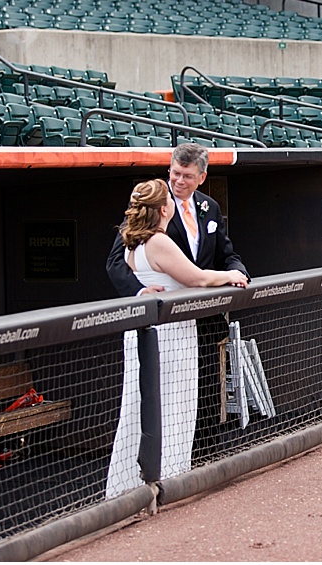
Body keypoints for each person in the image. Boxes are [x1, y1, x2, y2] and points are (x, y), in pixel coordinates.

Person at [106, 142, 250, 468]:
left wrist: (237, 272)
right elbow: (116, 261)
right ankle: (163, 472)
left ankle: (200, 467)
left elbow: (226, 253)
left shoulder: (209, 208)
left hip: (201, 321)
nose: (178, 181)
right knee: (158, 400)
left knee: (199, 397)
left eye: (186, 176)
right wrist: (140, 293)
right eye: (174, 173)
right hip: (160, 320)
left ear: (202, 176)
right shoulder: (152, 206)